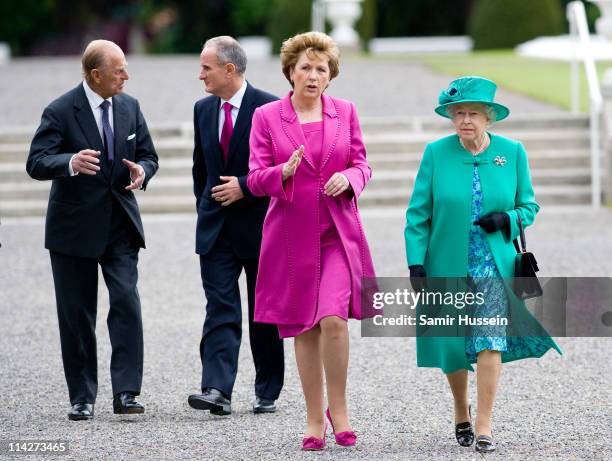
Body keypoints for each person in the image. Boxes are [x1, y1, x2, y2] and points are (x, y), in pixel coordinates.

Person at [404, 76, 561, 453]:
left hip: (493, 264)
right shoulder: (436, 154)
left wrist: (507, 219)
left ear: (489, 117)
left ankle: (486, 424)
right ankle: (462, 409)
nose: (465, 120)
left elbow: (529, 206)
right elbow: (417, 215)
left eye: (473, 113)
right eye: (458, 113)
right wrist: (416, 264)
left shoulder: (513, 152)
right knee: (453, 344)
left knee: (490, 340)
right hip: (446, 263)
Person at [247, 31, 376, 450]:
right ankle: (312, 419)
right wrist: (282, 172)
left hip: (338, 233)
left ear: (330, 75)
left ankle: (339, 412)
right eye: (305, 67)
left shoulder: (346, 112)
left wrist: (351, 178)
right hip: (290, 237)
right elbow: (253, 178)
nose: (313, 75)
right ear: (290, 72)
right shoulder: (267, 117)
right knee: (304, 327)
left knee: (334, 320)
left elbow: (362, 165)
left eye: (321, 69)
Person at [26, 39, 159, 420]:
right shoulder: (60, 109)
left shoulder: (130, 106)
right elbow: (36, 161)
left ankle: (127, 393)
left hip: (120, 224)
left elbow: (149, 155)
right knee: (76, 314)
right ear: (95, 74)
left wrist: (142, 171)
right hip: (73, 230)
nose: (126, 76)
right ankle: (82, 396)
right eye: (119, 70)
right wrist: (69, 161)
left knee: (127, 304)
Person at [188, 36, 285, 416]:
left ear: (230, 69)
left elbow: (284, 171)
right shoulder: (202, 109)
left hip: (263, 227)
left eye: (206, 68)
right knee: (219, 308)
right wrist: (206, 206)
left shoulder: (272, 107)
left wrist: (244, 187)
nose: (201, 76)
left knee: (264, 311)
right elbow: (201, 169)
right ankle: (217, 390)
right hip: (215, 230)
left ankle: (267, 390)